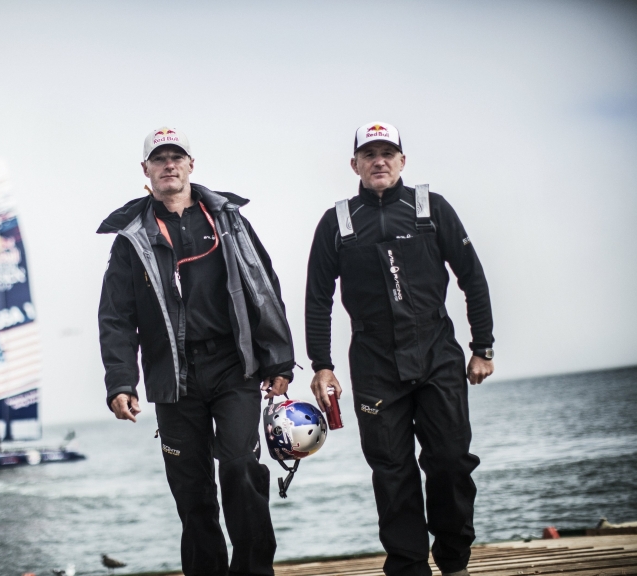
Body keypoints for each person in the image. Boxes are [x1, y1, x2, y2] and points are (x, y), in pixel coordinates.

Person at [97, 127, 295, 576]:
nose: (169, 165)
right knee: (193, 494)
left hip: (233, 366)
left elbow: (263, 285)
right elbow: (115, 316)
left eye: (176, 157)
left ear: (190, 165)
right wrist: (121, 382)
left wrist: (279, 358)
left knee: (241, 470)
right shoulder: (130, 238)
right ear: (145, 172)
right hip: (173, 377)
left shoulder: (228, 219)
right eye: (159, 159)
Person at [304, 122, 495, 576]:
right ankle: (408, 568)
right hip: (374, 363)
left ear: (403, 161)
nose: (379, 161)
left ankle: (454, 563)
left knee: (450, 463)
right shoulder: (337, 221)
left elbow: (473, 277)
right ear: (355, 164)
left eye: (388, 152)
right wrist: (322, 365)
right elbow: (317, 298)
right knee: (393, 474)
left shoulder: (432, 208)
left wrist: (482, 346)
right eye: (369, 154)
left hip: (437, 355)